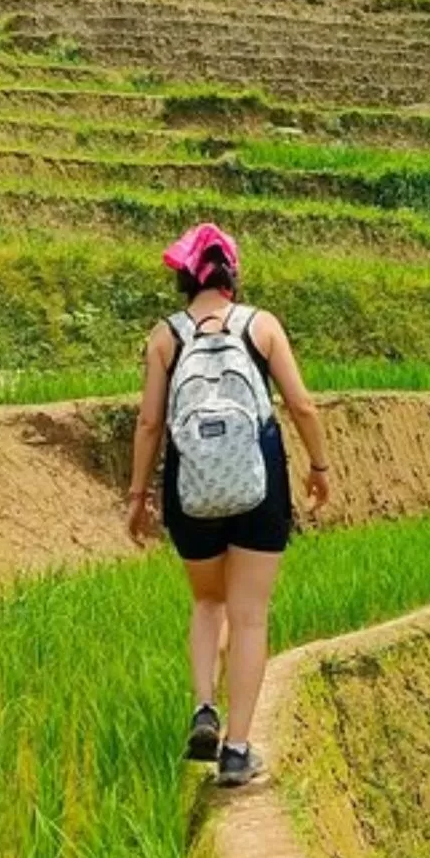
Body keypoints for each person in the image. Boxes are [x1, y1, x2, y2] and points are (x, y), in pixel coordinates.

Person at [127, 223, 332, 787]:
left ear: (183, 279)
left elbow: (149, 423)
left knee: (207, 602)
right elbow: (302, 405)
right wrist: (319, 467)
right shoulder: (261, 326)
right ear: (232, 275)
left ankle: (203, 707)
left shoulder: (164, 337)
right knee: (249, 615)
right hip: (258, 480)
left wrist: (138, 495)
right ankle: (237, 751)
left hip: (190, 486)